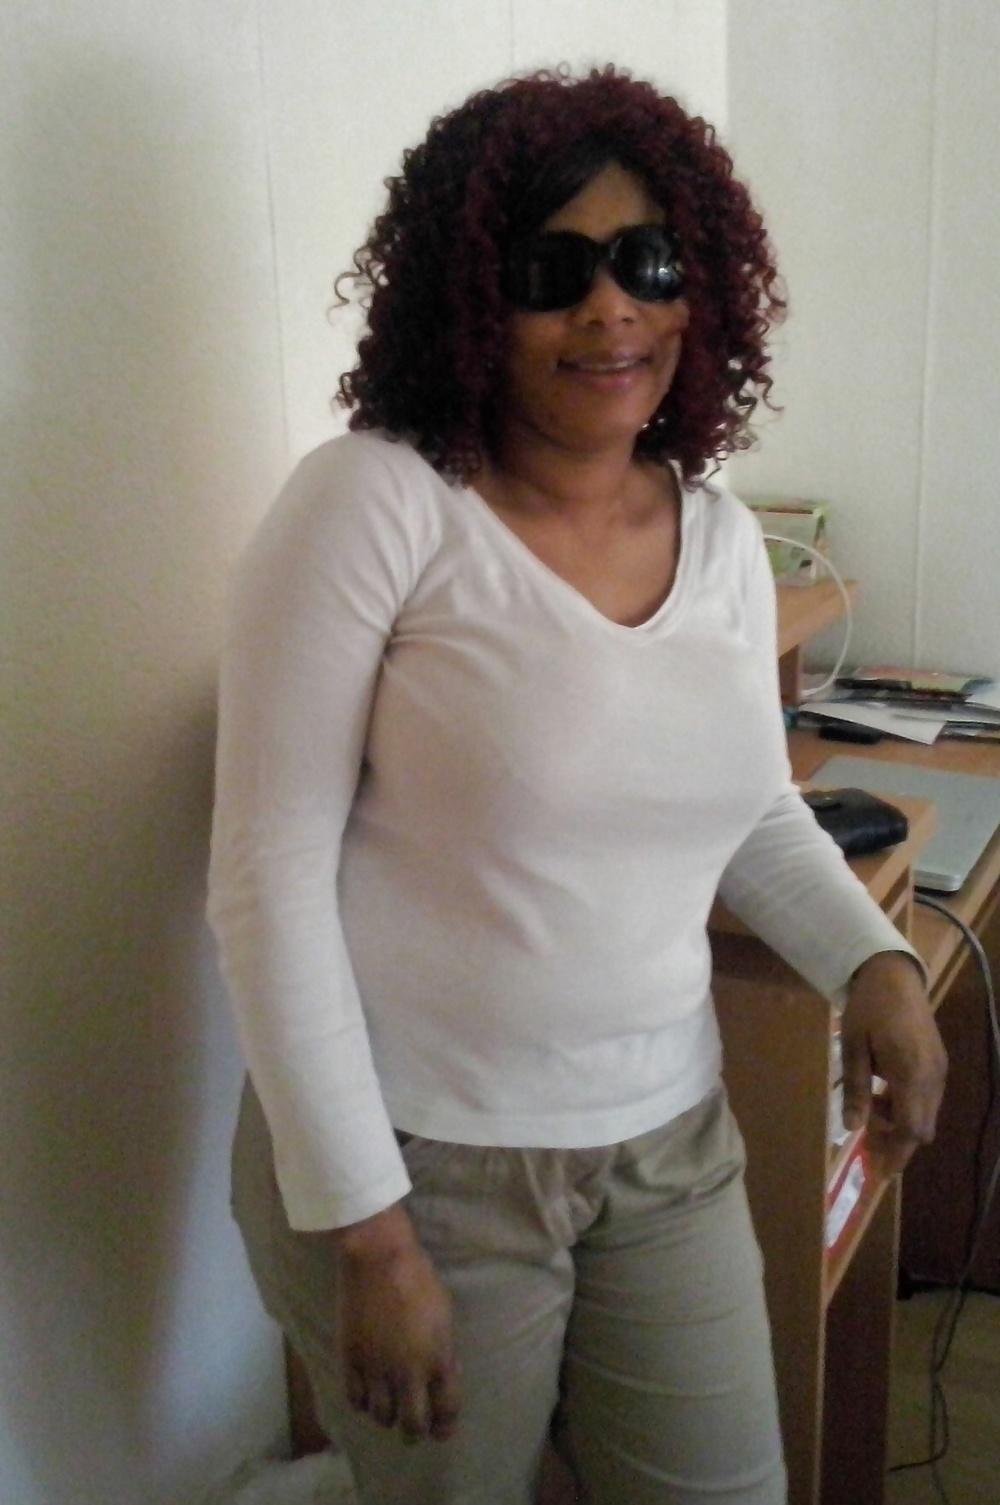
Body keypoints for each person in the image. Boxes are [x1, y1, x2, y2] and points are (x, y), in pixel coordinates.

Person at [207, 66, 946, 1505]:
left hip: (668, 1146)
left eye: (647, 262)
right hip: (426, 1168)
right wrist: (368, 1232)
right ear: (470, 302)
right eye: (553, 272)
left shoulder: (720, 539)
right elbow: (265, 879)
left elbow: (751, 809)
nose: (612, 311)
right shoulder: (376, 504)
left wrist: (875, 964)